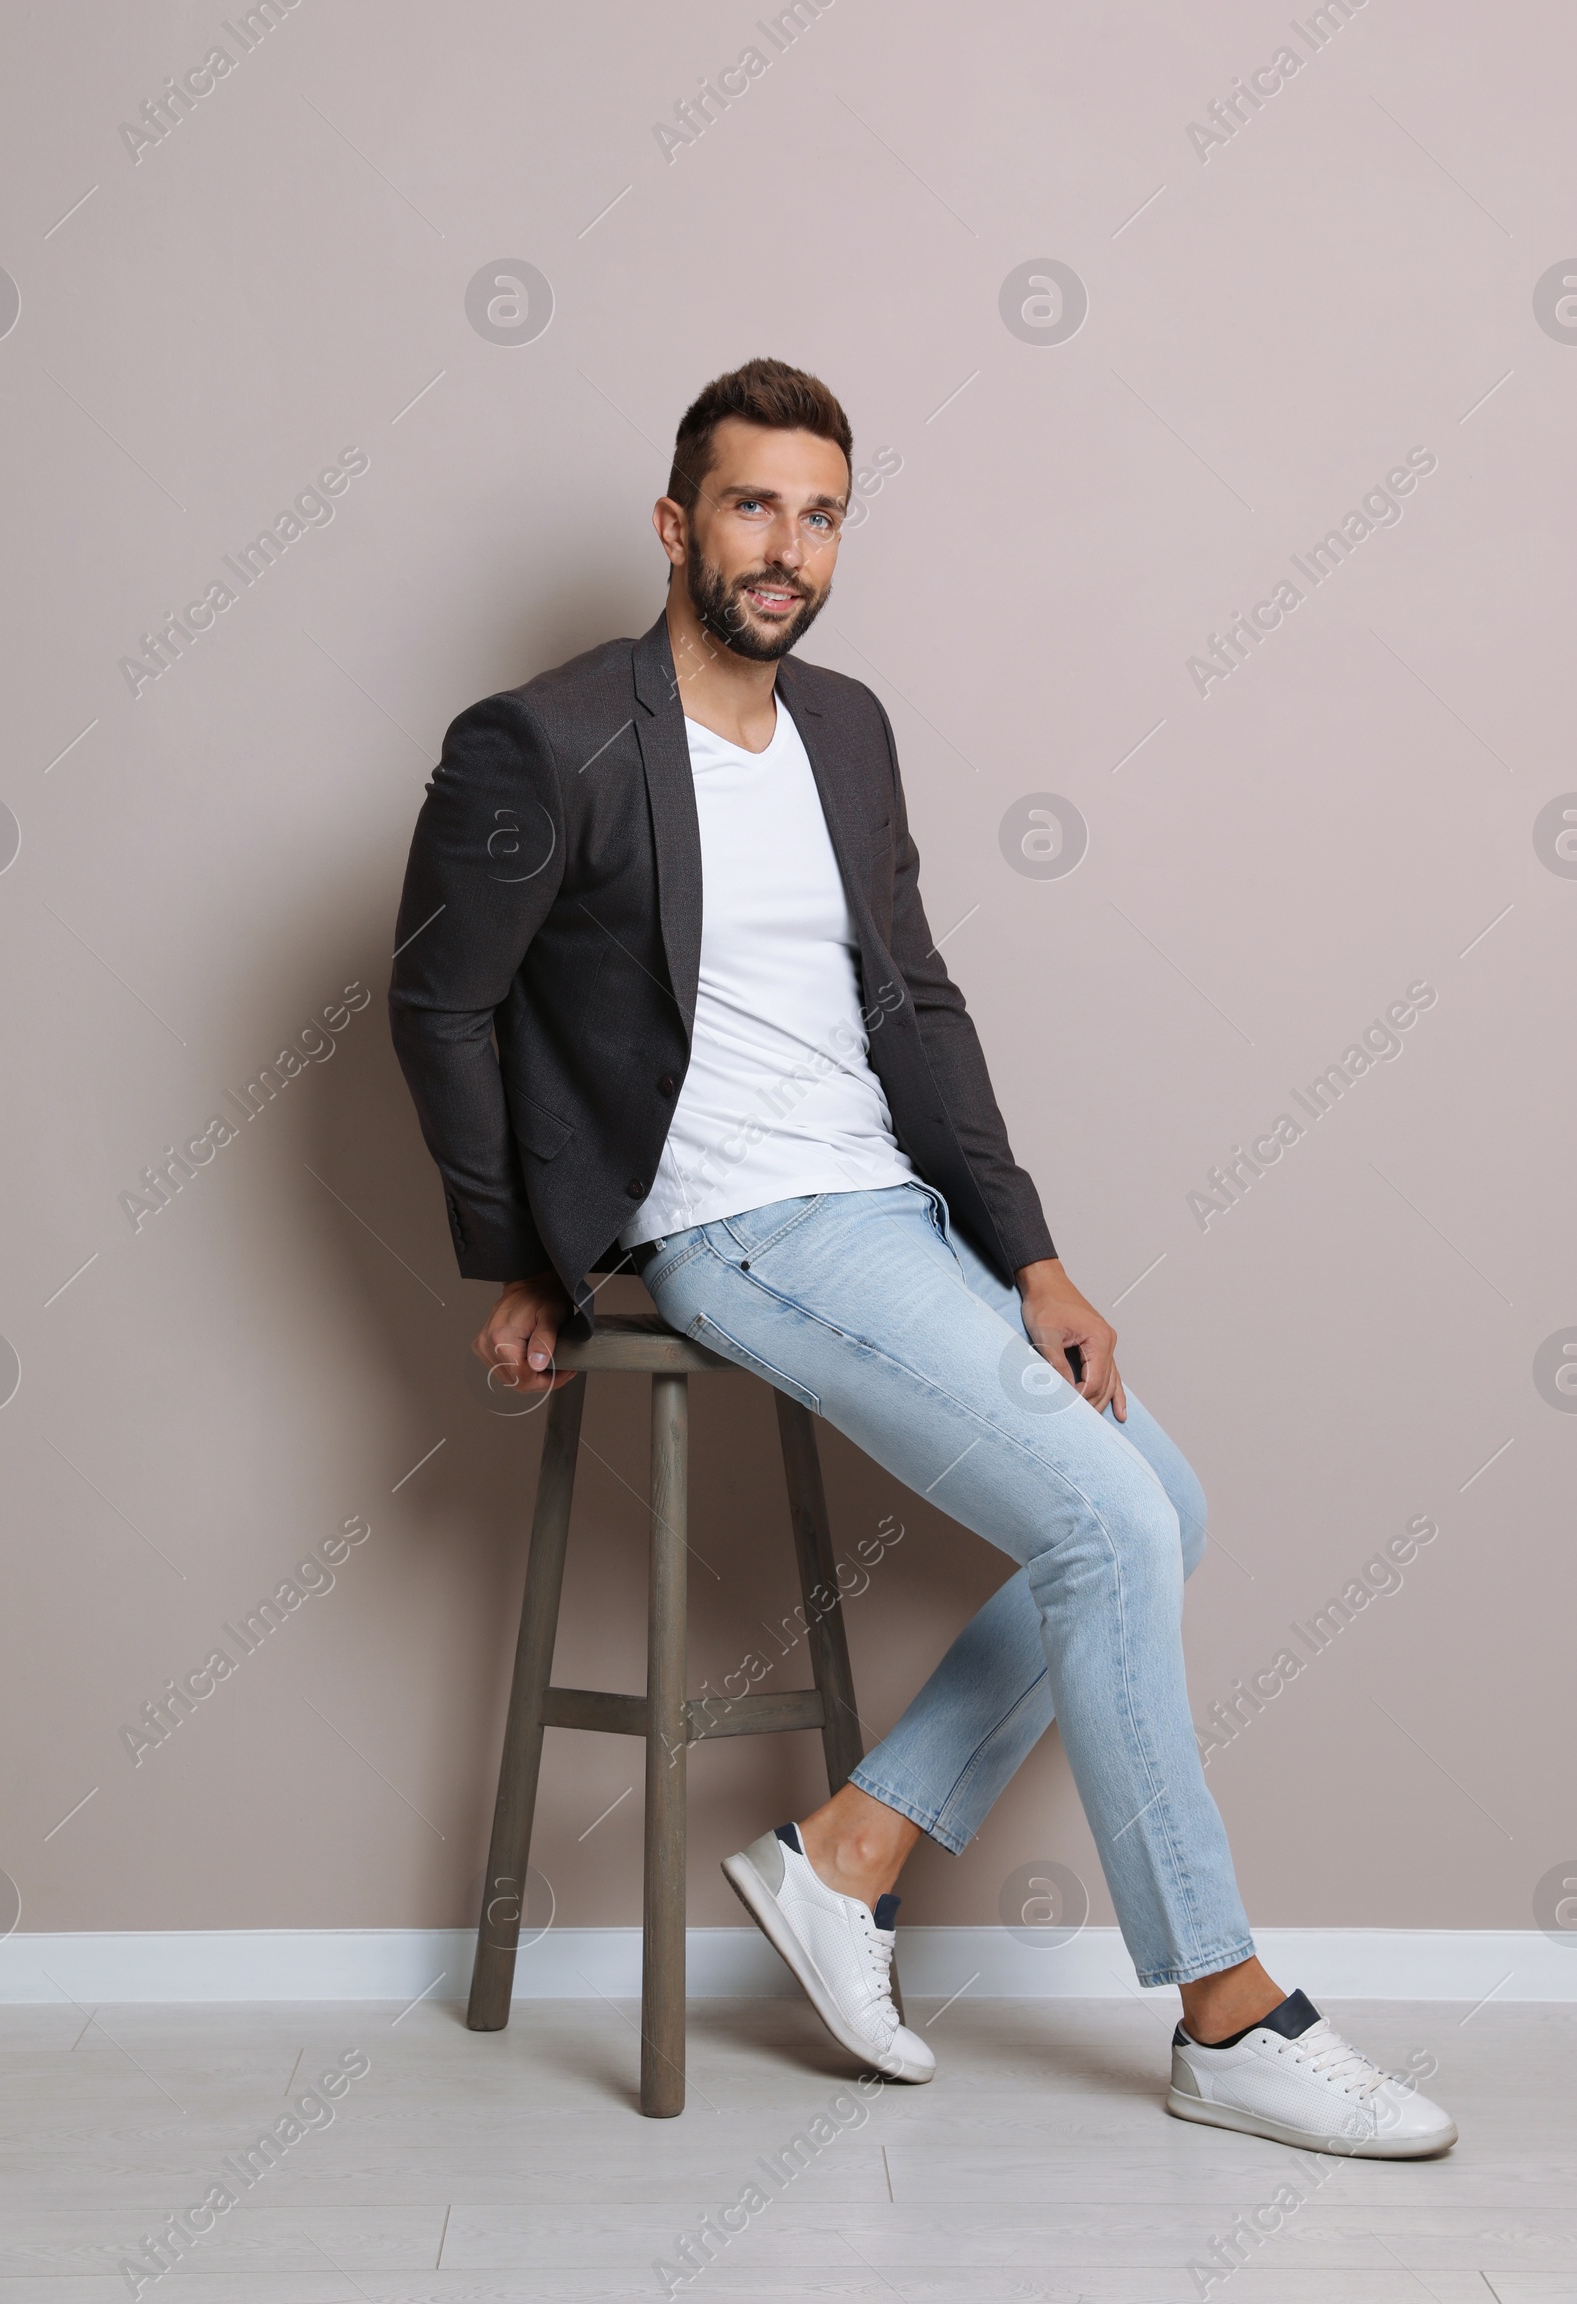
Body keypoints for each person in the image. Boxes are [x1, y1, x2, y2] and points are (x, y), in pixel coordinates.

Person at [389, 358, 1455, 2157]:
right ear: (676, 524)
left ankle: (845, 1858)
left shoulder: (851, 729)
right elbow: (437, 998)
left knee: (1158, 1503)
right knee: (1109, 1520)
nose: (786, 547)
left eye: (819, 513)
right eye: (751, 505)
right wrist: (518, 1260)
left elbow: (917, 1000)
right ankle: (1227, 2011)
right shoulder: (547, 737)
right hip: (734, 1227)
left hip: (889, 1211)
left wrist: (1029, 1251)